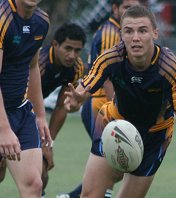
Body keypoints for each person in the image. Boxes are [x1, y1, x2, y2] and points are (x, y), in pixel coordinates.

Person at [64, 5, 176, 198]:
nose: (135, 38)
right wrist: (75, 101)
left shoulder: (169, 68)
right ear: (121, 34)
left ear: (155, 33)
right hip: (113, 125)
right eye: (128, 31)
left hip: (153, 136)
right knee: (90, 195)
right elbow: (82, 91)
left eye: (142, 30)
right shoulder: (110, 58)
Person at [58, 1, 140, 198]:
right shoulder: (112, 33)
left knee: (117, 165)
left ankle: (72, 196)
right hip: (100, 106)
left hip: (106, 106)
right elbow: (107, 78)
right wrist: (120, 113)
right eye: (125, 6)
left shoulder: (122, 31)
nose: (130, 11)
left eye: (134, 7)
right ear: (114, 9)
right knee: (114, 163)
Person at [0, 0, 52, 197]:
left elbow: (32, 66)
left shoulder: (42, 21)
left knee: (33, 185)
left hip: (20, 111)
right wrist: (3, 129)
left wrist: (40, 115)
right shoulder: (2, 18)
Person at [39, 23, 86, 197]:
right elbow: (26, 104)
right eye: (68, 48)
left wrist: (49, 144)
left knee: (41, 174)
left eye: (77, 50)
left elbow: (61, 106)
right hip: (10, 110)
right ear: (55, 45)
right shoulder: (39, 63)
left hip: (30, 112)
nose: (72, 55)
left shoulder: (76, 68)